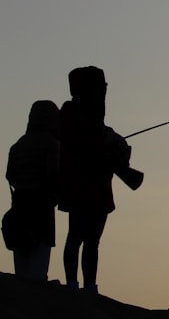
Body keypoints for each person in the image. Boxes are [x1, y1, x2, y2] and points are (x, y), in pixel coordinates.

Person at [59, 66, 141, 293]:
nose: (104, 92)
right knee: (76, 236)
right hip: (80, 185)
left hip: (98, 186)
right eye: (100, 87)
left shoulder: (95, 118)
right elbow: (80, 142)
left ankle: (90, 284)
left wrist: (112, 143)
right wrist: (105, 142)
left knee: (93, 240)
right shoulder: (70, 112)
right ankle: (72, 283)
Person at [5, 100, 60, 281]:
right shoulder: (51, 144)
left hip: (18, 207)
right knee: (38, 268)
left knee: (21, 268)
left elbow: (10, 176)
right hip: (41, 209)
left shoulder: (17, 145)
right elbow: (53, 174)